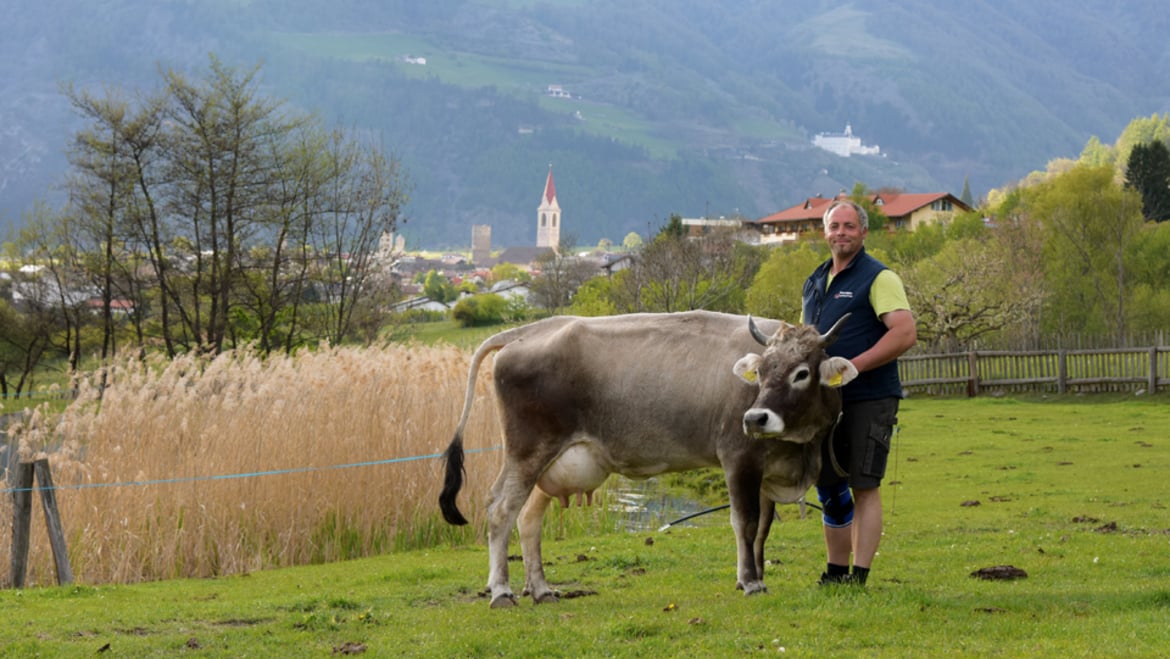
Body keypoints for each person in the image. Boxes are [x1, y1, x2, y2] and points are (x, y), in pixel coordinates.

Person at [802, 200, 917, 587]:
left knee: (864, 485)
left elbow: (904, 332)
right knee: (829, 484)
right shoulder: (814, 281)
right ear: (825, 232)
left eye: (850, 226)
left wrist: (857, 366)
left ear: (864, 232)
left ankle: (860, 575)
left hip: (869, 395)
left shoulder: (879, 278)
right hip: (824, 403)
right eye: (835, 226)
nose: (841, 233)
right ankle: (835, 572)